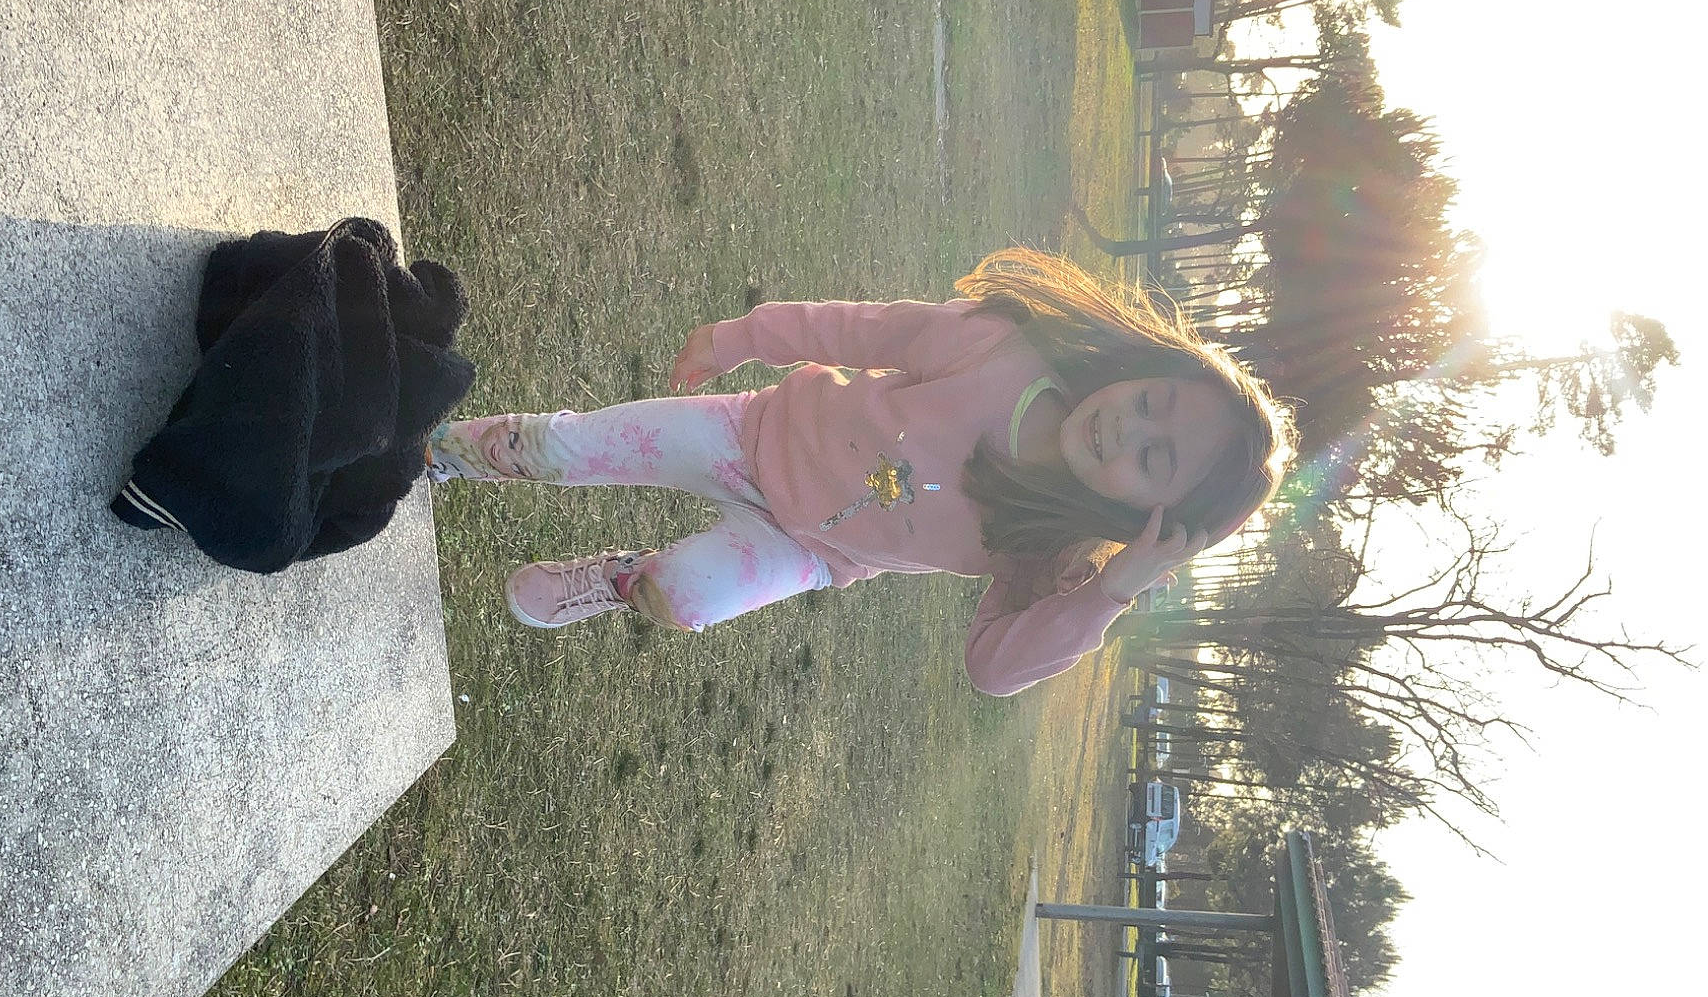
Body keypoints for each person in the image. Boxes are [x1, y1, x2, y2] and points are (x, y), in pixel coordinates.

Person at [426, 247, 1291, 696]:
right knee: (569, 447)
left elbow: (991, 669)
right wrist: (742, 338)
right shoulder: (1004, 348)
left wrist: (1110, 593)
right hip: (750, 433)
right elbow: (866, 329)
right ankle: (444, 454)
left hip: (803, 549)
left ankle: (613, 579)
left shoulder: (1048, 556)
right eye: (1153, 403)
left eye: (1155, 459)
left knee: (682, 594)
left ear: (1155, 521)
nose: (1127, 428)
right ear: (1145, 368)